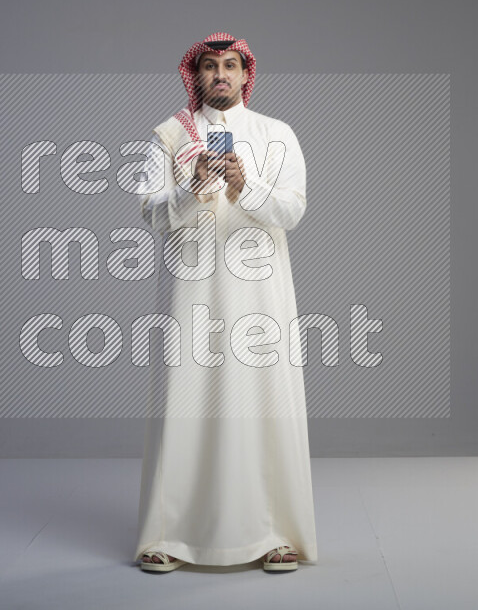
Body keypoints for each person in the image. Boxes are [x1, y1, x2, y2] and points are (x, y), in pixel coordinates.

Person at [132, 32, 318, 572]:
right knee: (185, 402)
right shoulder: (169, 137)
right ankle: (169, 536)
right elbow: (151, 213)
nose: (220, 74)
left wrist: (245, 188)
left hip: (260, 295)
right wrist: (191, 187)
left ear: (244, 74)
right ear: (196, 75)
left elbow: (292, 212)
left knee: (263, 400)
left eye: (230, 65)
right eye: (210, 66)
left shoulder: (277, 134)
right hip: (190, 293)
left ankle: (274, 534)